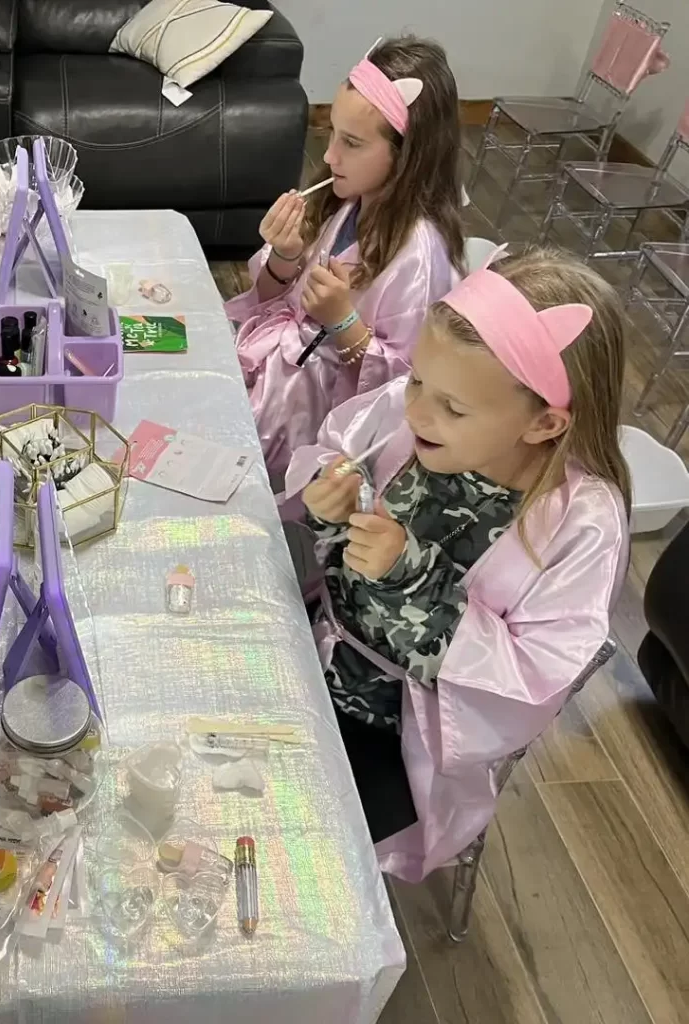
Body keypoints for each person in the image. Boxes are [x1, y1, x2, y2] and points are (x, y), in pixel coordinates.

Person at [284, 248, 631, 882]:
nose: (415, 410)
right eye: (417, 379)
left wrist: (408, 577)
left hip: (395, 731)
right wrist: (325, 495)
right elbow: (336, 446)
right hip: (313, 643)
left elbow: (528, 680)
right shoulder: (421, 404)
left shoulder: (579, 524)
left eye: (452, 408)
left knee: (287, 846)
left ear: (544, 423)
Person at [225, 36, 464, 483]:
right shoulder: (347, 201)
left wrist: (342, 322)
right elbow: (282, 299)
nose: (330, 155)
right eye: (331, 132)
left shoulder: (419, 260)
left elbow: (408, 393)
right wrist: (285, 256)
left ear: (407, 155)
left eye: (352, 143)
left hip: (318, 430)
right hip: (278, 379)